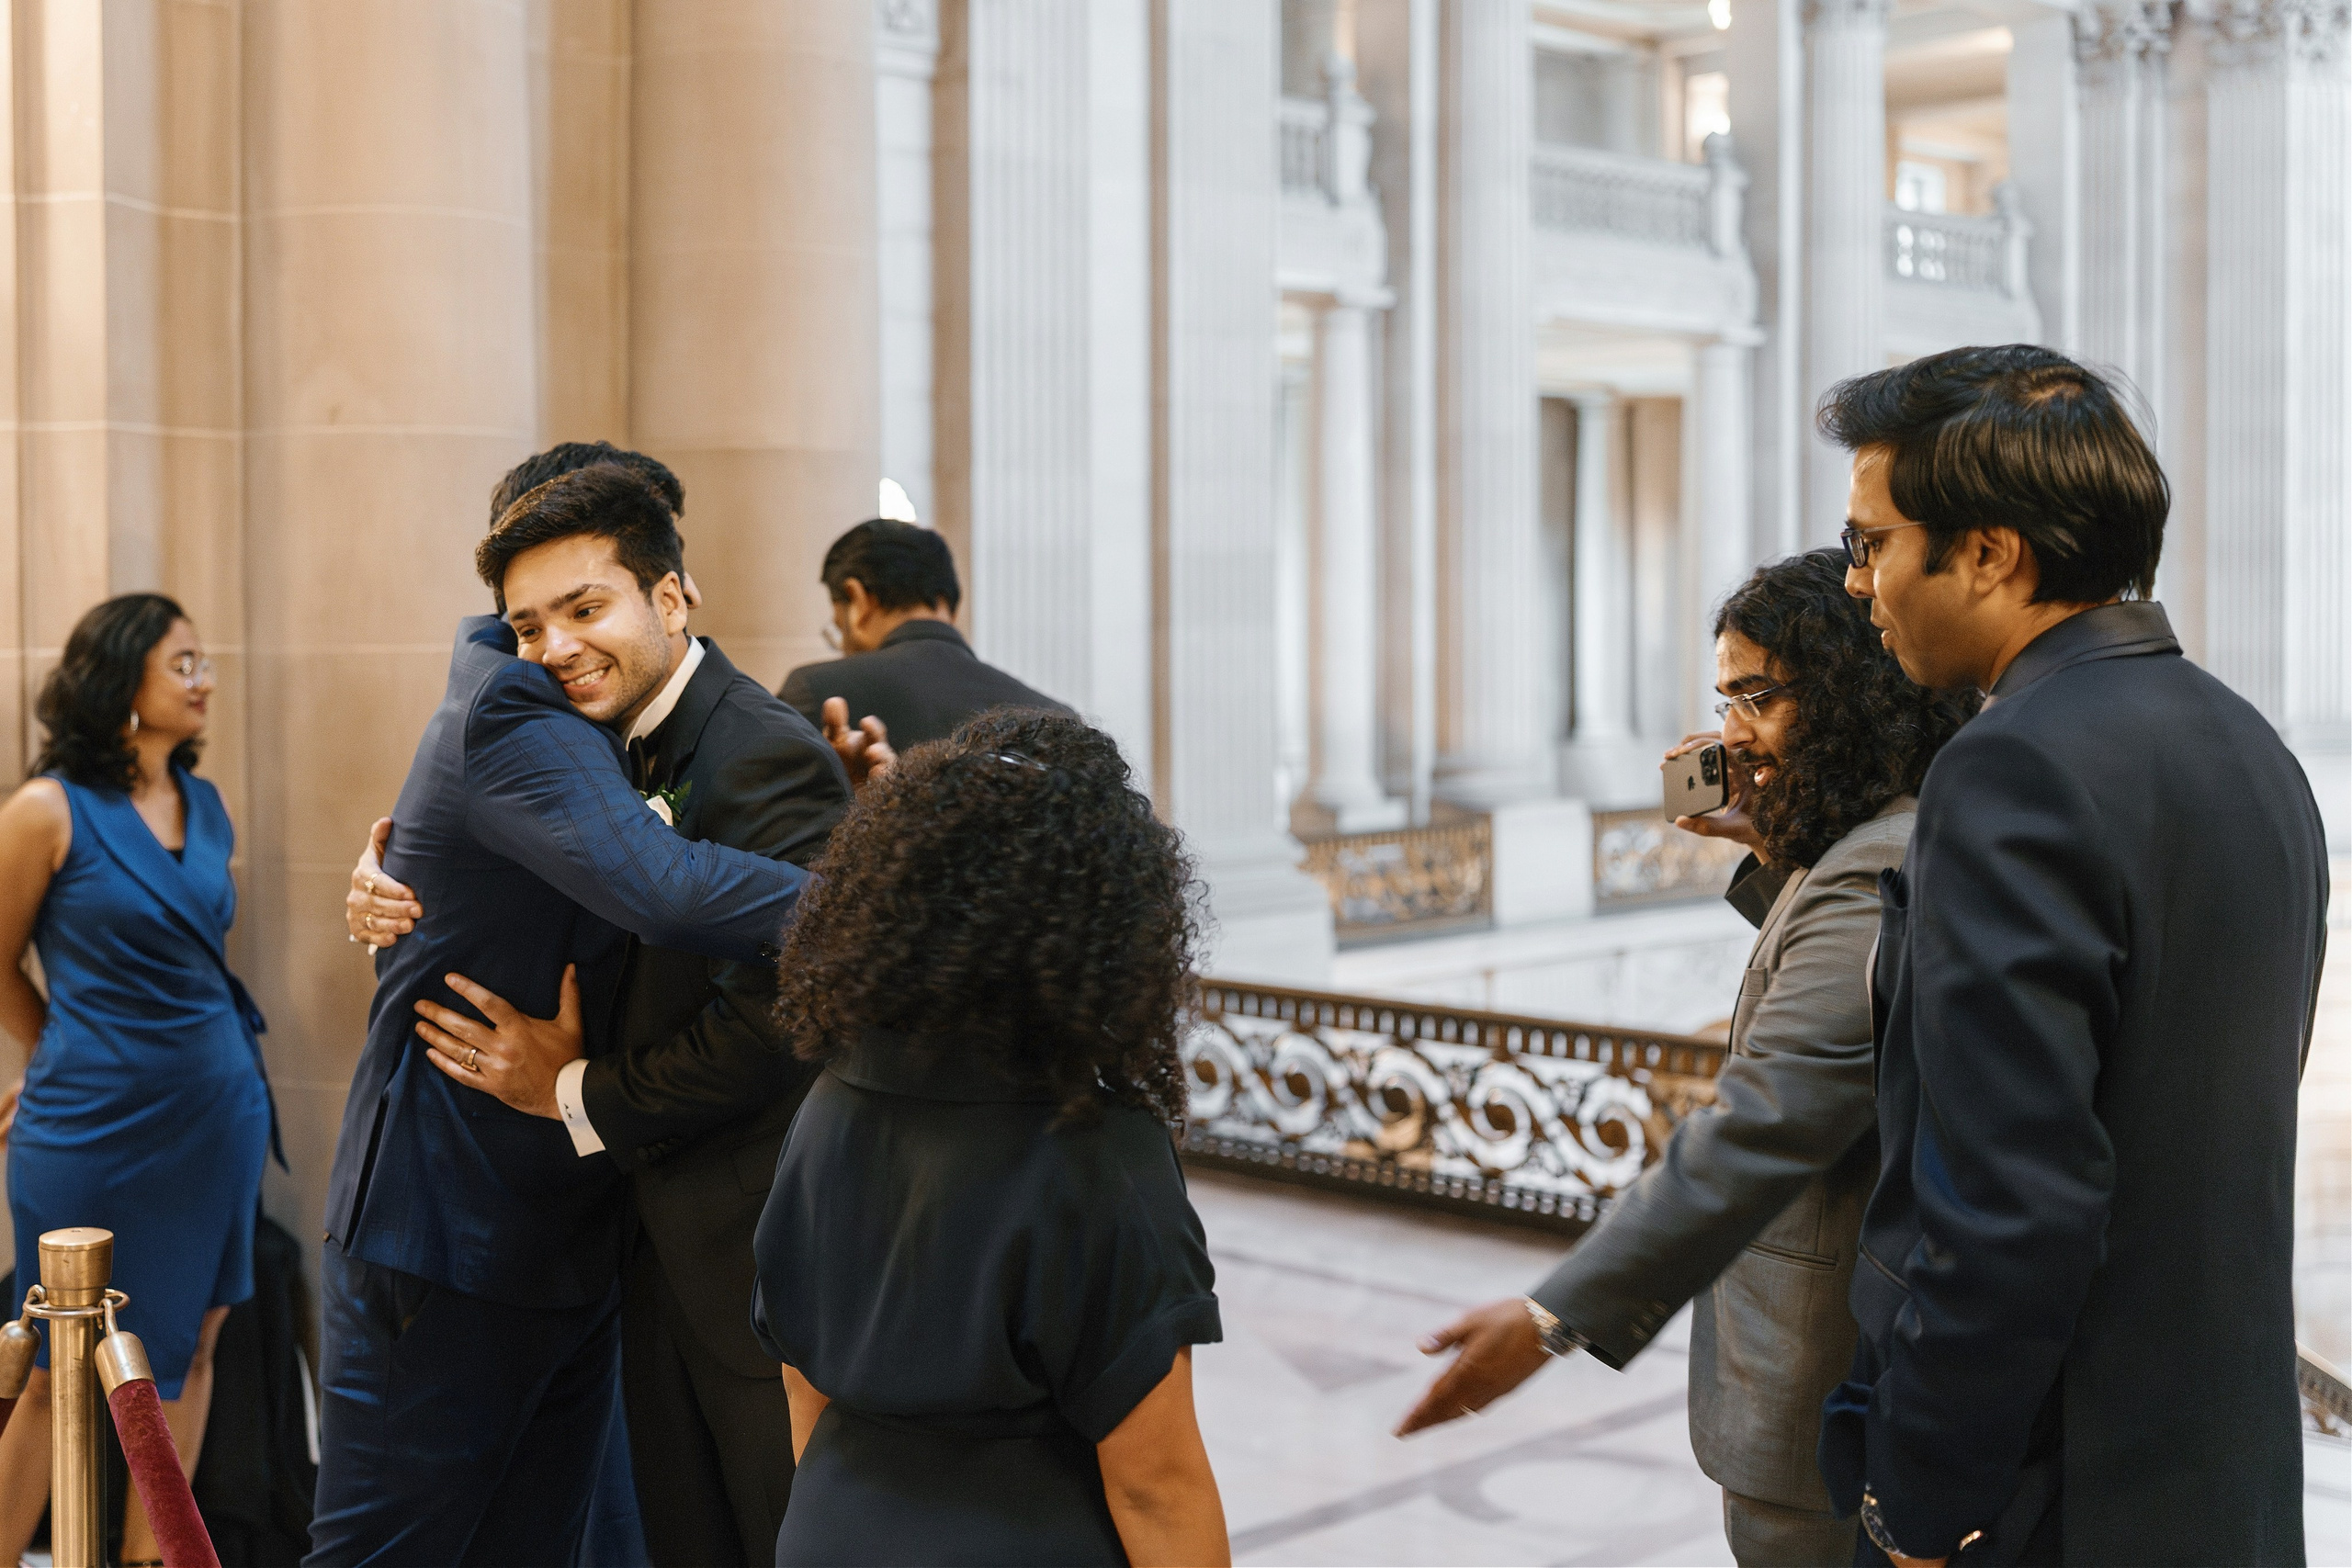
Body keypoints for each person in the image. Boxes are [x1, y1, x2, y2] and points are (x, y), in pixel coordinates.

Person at [1818, 344, 2327, 1566]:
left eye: (1872, 542)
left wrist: (1922, 1504)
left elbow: (2010, 1200)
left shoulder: (2010, 766)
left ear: (1989, 553)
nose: (1855, 581)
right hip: (2215, 1472)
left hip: (2047, 1491)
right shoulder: (2246, 742)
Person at [304, 466, 845, 1567]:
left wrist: (572, 1089)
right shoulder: (522, 706)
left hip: (669, 1232)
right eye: (528, 620)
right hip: (457, 1224)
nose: (553, 644)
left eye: (585, 606)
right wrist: (382, 887)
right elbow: (637, 885)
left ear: (670, 593)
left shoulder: (743, 742)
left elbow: (770, 1015)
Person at [1394, 551, 1977, 1566]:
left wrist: (1552, 1317)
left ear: (1848, 695)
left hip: (1816, 1393)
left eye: (1759, 696)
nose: (1733, 734)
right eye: (1726, 701)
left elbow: (1764, 1122)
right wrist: (1778, 846)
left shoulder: (1871, 864)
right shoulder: (1867, 850)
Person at [752, 710, 1227, 1567]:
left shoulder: (828, 1103)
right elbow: (1156, 1486)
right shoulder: (1101, 1152)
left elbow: (803, 1385)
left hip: (828, 1533)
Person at [0, 595, 276, 1567]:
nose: (205, 681)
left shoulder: (207, 803)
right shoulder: (45, 810)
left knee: (190, 1347)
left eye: (204, 661)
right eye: (183, 663)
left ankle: (151, 1561)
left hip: (216, 1110)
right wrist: (55, 1051)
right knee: (53, 1363)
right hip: (89, 1122)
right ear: (120, 680)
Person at [778, 517, 1071, 749]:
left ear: (858, 600)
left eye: (838, 628)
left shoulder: (816, 692)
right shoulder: (1055, 718)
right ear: (952, 605)